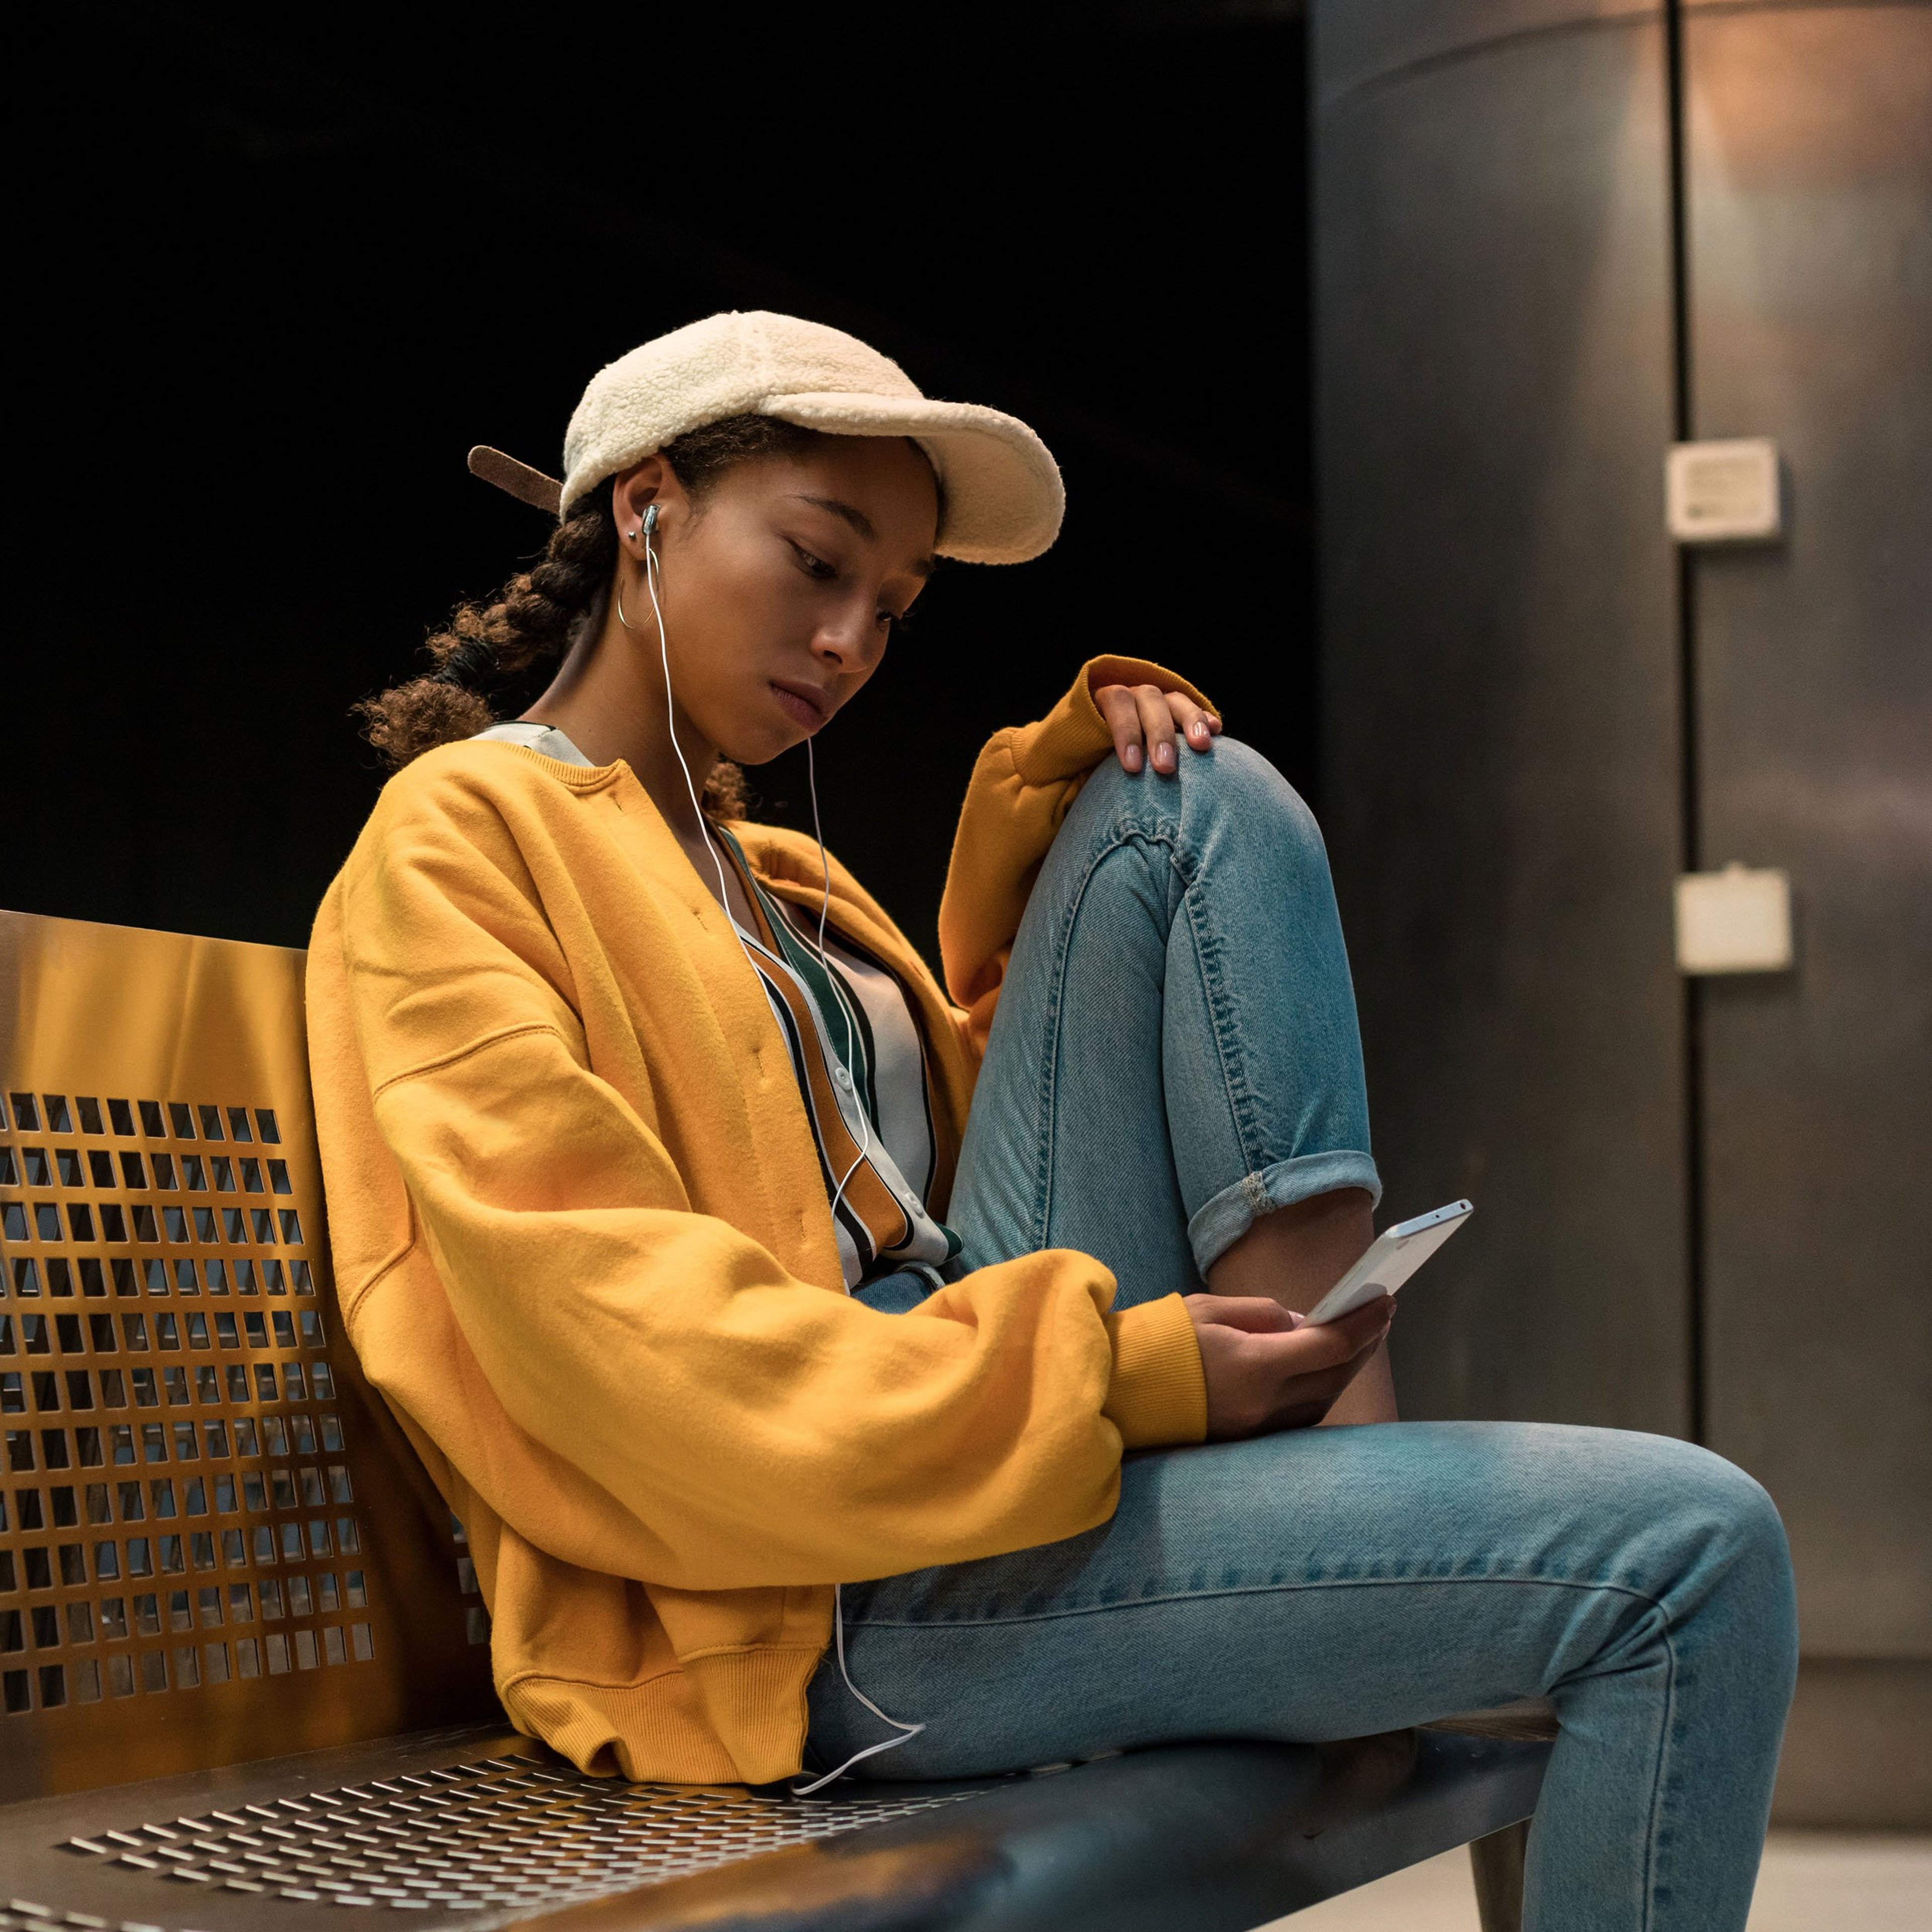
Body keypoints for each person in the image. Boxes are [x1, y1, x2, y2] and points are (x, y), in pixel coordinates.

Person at [308, 311, 1797, 1931]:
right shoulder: (461, 843)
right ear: (648, 506)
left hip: (951, 1453)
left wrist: (1053, 813)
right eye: (817, 564)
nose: (851, 644)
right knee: (1689, 1558)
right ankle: (1357, 1494)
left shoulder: (769, 877)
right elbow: (616, 1345)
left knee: (1186, 793)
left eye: (890, 609)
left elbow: (936, 1185)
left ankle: (1342, 1452)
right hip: (798, 1596)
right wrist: (1125, 1369)